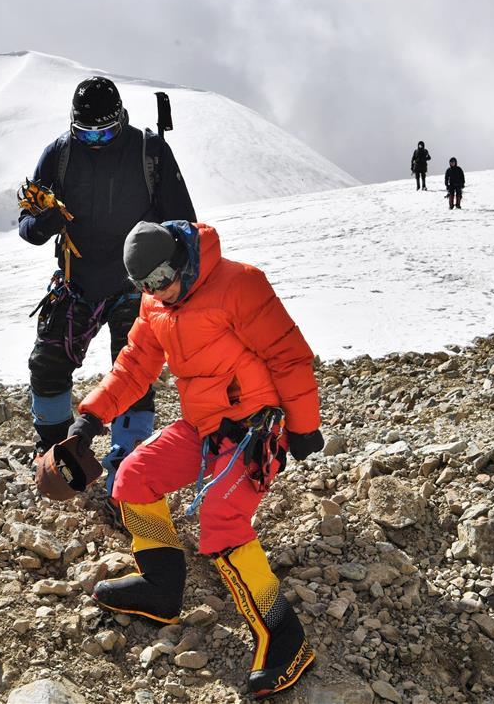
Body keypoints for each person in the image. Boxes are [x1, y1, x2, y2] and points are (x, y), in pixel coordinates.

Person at [44, 220, 324, 699]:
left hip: (259, 429)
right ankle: (160, 586)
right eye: (145, 286)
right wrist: (89, 419)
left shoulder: (240, 284)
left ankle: (285, 636)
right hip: (204, 427)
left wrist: (303, 426)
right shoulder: (155, 305)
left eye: (162, 279)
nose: (159, 291)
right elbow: (133, 367)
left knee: (221, 519)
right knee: (132, 476)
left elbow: (289, 356)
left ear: (182, 258)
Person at [18, 77, 196, 498]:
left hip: (136, 286)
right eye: (87, 133)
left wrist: (173, 269)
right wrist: (46, 223)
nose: (96, 141)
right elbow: (27, 226)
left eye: (105, 132)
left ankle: (129, 465)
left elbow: (184, 220)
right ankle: (54, 454)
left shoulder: (149, 153)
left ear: (121, 119)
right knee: (47, 366)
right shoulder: (59, 155)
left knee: (133, 375)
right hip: (77, 282)